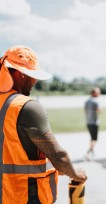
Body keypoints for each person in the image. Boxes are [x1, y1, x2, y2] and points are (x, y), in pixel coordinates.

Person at [0, 45, 87, 204]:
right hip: (25, 195)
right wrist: (75, 173)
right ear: (21, 74)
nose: (34, 81)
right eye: (32, 76)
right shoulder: (27, 106)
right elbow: (58, 156)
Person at [84, 87, 101, 160]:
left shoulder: (87, 101)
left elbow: (84, 110)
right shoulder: (95, 101)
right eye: (98, 92)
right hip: (94, 122)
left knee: (92, 138)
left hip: (88, 122)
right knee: (95, 138)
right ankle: (88, 152)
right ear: (94, 93)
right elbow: (99, 110)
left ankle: (92, 151)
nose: (99, 94)